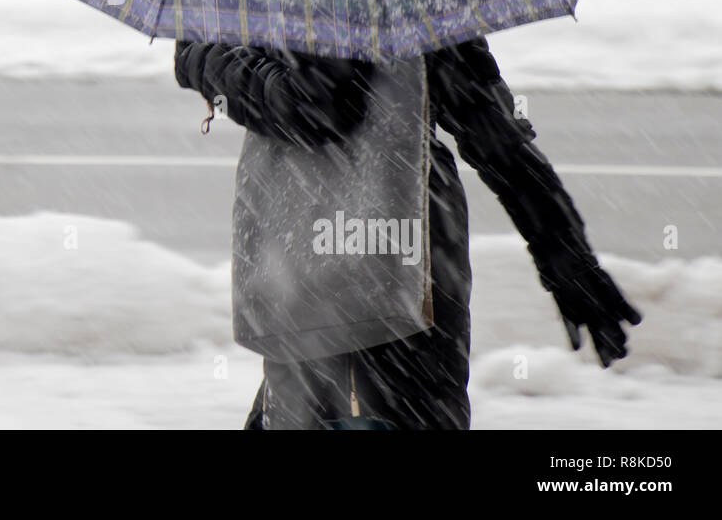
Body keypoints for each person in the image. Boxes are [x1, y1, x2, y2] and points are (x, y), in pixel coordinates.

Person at [174, 36, 641, 430]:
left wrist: (203, 56)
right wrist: (564, 254)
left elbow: (313, 102)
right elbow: (492, 130)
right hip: (413, 276)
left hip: (340, 286)